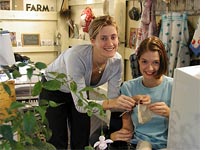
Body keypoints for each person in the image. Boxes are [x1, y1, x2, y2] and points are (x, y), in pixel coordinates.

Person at [39, 15, 137, 150]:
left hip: (80, 91)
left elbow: (113, 98)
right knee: (57, 139)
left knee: (82, 137)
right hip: (53, 90)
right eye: (103, 38)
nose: (110, 43)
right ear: (92, 40)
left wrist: (127, 110)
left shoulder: (116, 61)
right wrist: (111, 103)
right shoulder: (76, 57)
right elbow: (82, 105)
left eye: (113, 37)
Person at [110, 36, 173, 150]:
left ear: (162, 62)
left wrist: (170, 113)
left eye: (156, 62)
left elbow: (189, 124)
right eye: (144, 61)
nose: (150, 68)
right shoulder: (128, 88)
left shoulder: (174, 86)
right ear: (138, 60)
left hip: (170, 143)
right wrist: (113, 136)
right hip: (140, 143)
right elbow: (127, 128)